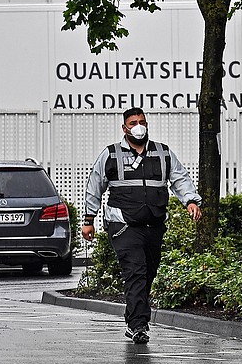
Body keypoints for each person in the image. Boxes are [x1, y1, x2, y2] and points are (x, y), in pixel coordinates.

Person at [82, 107, 202, 344]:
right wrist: (88, 220)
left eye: (142, 122)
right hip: (123, 226)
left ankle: (133, 318)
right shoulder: (111, 155)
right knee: (136, 271)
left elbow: (179, 178)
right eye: (134, 122)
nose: (139, 126)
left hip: (153, 226)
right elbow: (95, 185)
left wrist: (190, 200)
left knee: (147, 273)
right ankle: (138, 326)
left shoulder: (163, 153)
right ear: (124, 128)